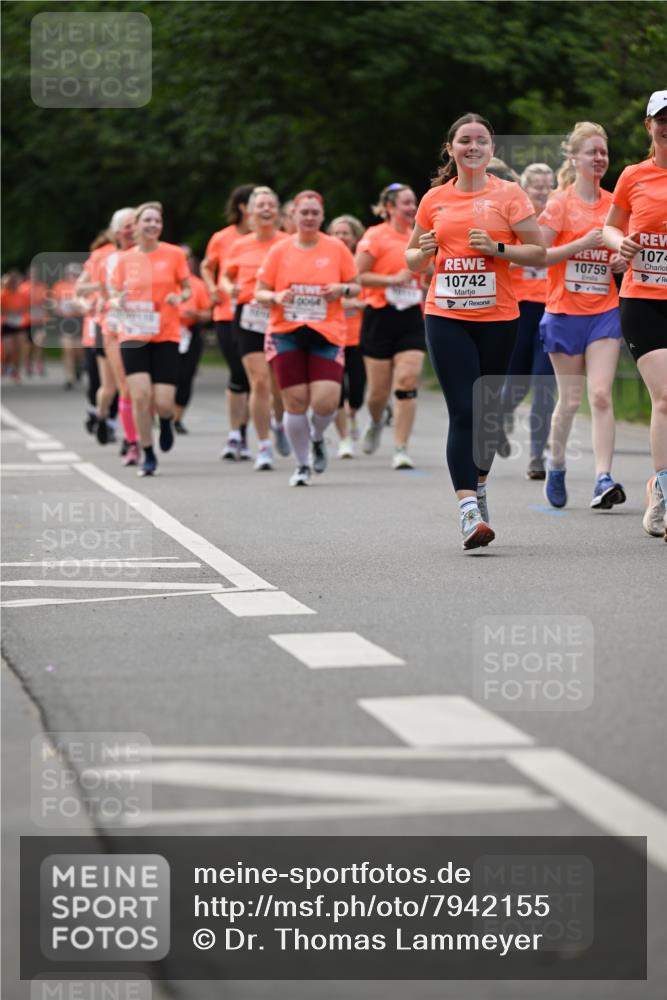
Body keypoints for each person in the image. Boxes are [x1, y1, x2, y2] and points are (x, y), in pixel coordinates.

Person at [406, 112, 546, 550]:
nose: (472, 146)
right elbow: (411, 259)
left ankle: (479, 486)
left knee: (487, 415)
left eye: (481, 140)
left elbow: (538, 252)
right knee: (464, 411)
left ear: (492, 150)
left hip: (499, 317)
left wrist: (499, 248)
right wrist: (422, 251)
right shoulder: (434, 199)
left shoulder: (509, 195)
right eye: (464, 140)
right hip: (445, 315)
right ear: (451, 148)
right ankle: (468, 509)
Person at [539, 122, 627, 511]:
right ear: (574, 158)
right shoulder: (559, 203)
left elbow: (624, 257)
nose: (599, 158)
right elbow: (538, 255)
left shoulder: (615, 205)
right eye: (592, 151)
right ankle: (555, 464)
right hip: (563, 313)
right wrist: (580, 243)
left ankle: (602, 478)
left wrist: (622, 260)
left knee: (601, 395)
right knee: (570, 400)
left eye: (603, 152)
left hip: (604, 312)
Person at [255, 190, 361, 486]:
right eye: (304, 213)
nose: (310, 218)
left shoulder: (336, 248)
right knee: (296, 401)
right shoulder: (280, 250)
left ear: (322, 216)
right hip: (286, 332)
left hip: (327, 332)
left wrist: (340, 290)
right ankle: (302, 466)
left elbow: (356, 287)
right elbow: (259, 292)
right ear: (294, 216)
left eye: (315, 213)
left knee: (326, 402)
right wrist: (276, 295)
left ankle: (316, 438)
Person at [603, 90, 667, 540]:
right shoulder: (633, 176)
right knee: (665, 396)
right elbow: (611, 224)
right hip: (643, 299)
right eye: (662, 120)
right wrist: (618, 243)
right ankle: (664, 489)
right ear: (649, 126)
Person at [109, 201, 191, 477]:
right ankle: (147, 451)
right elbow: (113, 292)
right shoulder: (124, 259)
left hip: (165, 333)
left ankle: (166, 421)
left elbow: (188, 288)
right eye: (148, 221)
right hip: (133, 334)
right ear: (138, 225)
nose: (153, 225)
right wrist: (117, 299)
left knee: (164, 401)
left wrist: (178, 297)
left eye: (157, 221)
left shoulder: (174, 255)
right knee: (141, 396)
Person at [356, 184, 426, 469]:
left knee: (408, 380)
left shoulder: (421, 236)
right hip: (379, 315)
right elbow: (358, 275)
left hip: (411, 315)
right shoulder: (375, 235)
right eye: (406, 203)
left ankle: (401, 447)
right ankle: (375, 420)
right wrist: (390, 280)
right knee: (377, 393)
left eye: (414, 203)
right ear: (390, 207)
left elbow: (434, 269)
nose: (412, 208)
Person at [222, 187, 289, 470]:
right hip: (249, 315)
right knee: (259, 381)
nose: (265, 209)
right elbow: (224, 277)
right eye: (259, 204)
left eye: (270, 204)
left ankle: (279, 423)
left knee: (279, 384)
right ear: (249, 211)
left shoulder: (288, 242)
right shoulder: (239, 245)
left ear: (277, 211)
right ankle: (263, 445)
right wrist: (230, 289)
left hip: (282, 315)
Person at [497, 163, 557, 479]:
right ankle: (501, 417)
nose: (544, 193)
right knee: (516, 384)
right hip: (520, 309)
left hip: (552, 309)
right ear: (525, 189)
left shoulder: (559, 218)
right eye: (537, 188)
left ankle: (537, 455)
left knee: (544, 385)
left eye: (549, 187)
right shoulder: (517, 221)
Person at [76, 209, 139, 462]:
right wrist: (98, 291)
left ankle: (129, 435)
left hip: (136, 328)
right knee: (111, 386)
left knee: (130, 386)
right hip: (107, 326)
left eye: (135, 224)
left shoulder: (145, 254)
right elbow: (79, 289)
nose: (132, 230)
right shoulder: (102, 256)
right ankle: (102, 416)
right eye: (126, 226)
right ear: (114, 231)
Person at [201, 184, 255, 460]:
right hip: (226, 313)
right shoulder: (222, 238)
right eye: (255, 202)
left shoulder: (271, 239)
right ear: (244, 207)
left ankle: (250, 431)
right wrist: (212, 287)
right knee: (238, 372)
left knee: (253, 376)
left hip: (259, 315)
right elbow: (207, 266)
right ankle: (237, 434)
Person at [328, 214, 367, 458]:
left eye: (346, 233)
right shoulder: (323, 261)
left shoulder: (360, 264)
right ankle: (344, 439)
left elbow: (368, 296)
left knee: (358, 392)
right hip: (333, 336)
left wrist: (357, 302)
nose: (341, 237)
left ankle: (352, 414)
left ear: (355, 238)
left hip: (359, 337)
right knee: (336, 390)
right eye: (337, 233)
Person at [174, 246, 212, 434]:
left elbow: (208, 313)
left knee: (185, 377)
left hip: (190, 332)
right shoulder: (165, 281)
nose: (185, 263)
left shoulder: (197, 284)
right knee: (165, 376)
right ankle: (162, 413)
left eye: (188, 259)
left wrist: (196, 314)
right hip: (166, 333)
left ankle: (178, 418)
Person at [50, 263, 84, 389]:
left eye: (75, 274)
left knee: (79, 350)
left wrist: (79, 307)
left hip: (79, 319)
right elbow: (53, 302)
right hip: (65, 320)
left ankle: (79, 366)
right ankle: (69, 378)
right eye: (70, 274)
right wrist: (58, 308)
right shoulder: (59, 286)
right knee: (68, 349)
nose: (72, 277)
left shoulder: (83, 286)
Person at [19, 266, 48, 377]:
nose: (34, 276)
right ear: (29, 275)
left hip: (40, 320)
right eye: (32, 273)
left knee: (39, 343)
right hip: (27, 321)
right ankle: (27, 364)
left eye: (36, 273)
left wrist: (46, 318)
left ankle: (39, 364)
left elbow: (46, 304)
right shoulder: (23, 288)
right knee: (27, 346)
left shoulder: (43, 287)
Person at [1, 270, 29, 383]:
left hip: (19, 323)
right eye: (11, 282)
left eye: (15, 282)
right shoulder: (3, 294)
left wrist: (20, 312)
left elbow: (26, 308)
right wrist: (9, 312)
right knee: (7, 349)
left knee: (19, 348)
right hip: (7, 323)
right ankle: (5, 364)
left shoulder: (22, 294)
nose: (14, 284)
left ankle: (16, 372)